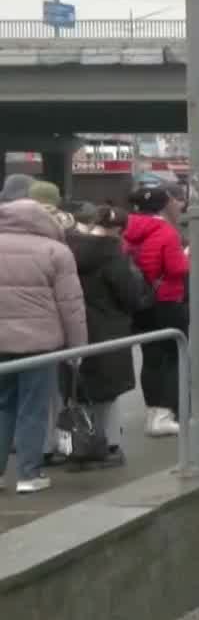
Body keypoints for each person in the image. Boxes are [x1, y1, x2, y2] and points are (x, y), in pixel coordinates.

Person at [0, 179, 88, 493]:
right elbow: (72, 306)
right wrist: (77, 348)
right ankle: (28, 474)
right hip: (40, 344)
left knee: (3, 406)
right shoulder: (56, 251)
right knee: (33, 409)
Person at [62, 204, 151, 469]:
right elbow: (131, 295)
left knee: (77, 388)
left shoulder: (68, 248)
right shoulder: (113, 255)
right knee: (108, 391)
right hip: (109, 327)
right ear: (118, 230)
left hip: (73, 325)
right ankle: (108, 445)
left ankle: (74, 444)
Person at [123, 185, 188, 437]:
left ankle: (152, 411)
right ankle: (164, 414)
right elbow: (176, 269)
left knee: (150, 358)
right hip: (167, 300)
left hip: (140, 300)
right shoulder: (166, 231)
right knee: (174, 356)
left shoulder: (126, 229)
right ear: (163, 205)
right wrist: (188, 257)